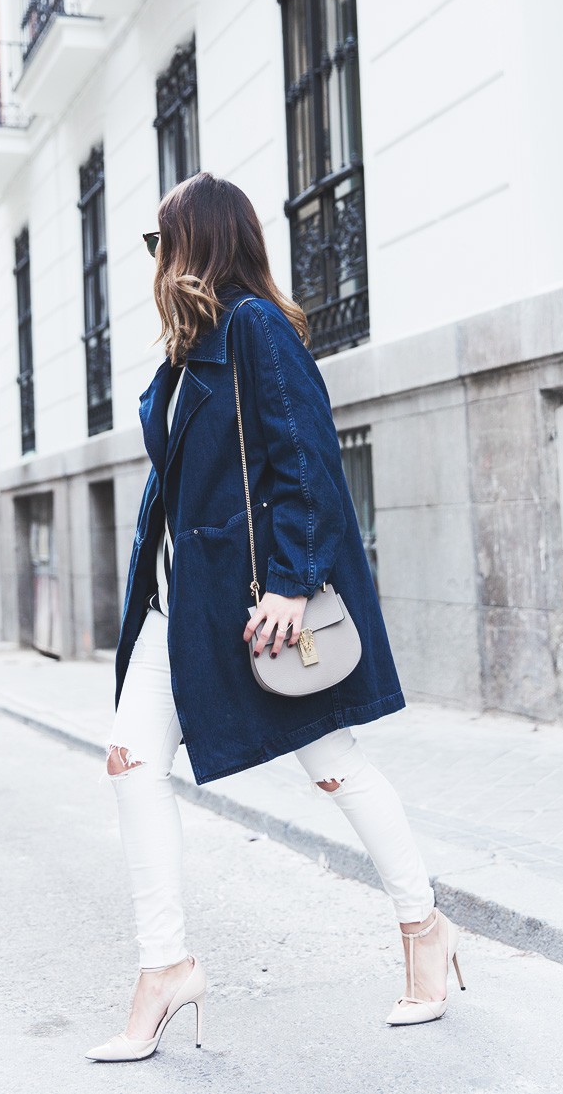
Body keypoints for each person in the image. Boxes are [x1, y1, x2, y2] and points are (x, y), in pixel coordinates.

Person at [85, 172, 465, 1063]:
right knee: (130, 762)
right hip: (178, 605)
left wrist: (293, 584)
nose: (156, 260)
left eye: (161, 241)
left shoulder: (255, 327)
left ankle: (424, 927)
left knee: (333, 762)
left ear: (201, 241)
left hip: (253, 604)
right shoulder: (188, 351)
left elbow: (304, 454)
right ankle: (164, 966)